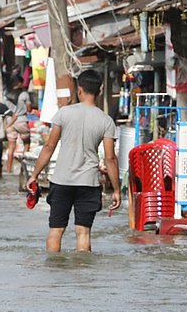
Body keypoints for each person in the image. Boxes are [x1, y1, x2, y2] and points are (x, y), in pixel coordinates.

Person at [28, 69, 120, 253]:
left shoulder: (64, 113)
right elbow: (110, 158)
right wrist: (116, 189)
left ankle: (53, 270)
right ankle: (82, 271)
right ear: (100, 91)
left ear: (79, 90)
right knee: (83, 233)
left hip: (61, 180)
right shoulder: (106, 121)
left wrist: (34, 175)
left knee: (56, 231)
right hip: (89, 182)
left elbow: (49, 146)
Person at [4, 98, 31, 175]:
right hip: (21, 122)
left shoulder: (6, 101)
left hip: (10, 122)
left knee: (11, 147)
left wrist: (6, 126)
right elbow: (28, 109)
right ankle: (24, 167)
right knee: (26, 143)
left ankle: (9, 170)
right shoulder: (22, 100)